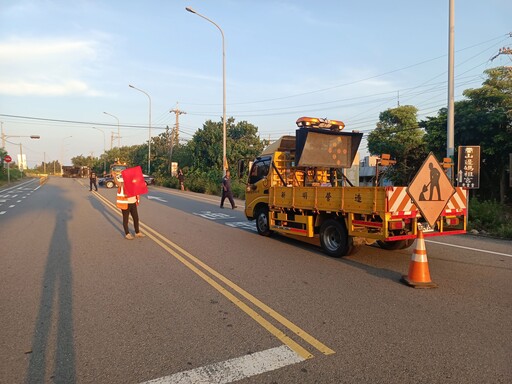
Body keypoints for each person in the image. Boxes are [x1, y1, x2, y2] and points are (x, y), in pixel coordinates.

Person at [112, 172, 145, 240]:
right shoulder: (123, 183)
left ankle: (137, 232)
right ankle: (127, 234)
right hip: (125, 204)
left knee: (136, 218)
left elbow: (141, 186)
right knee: (125, 219)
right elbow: (117, 183)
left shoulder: (134, 184)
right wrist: (114, 177)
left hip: (133, 203)